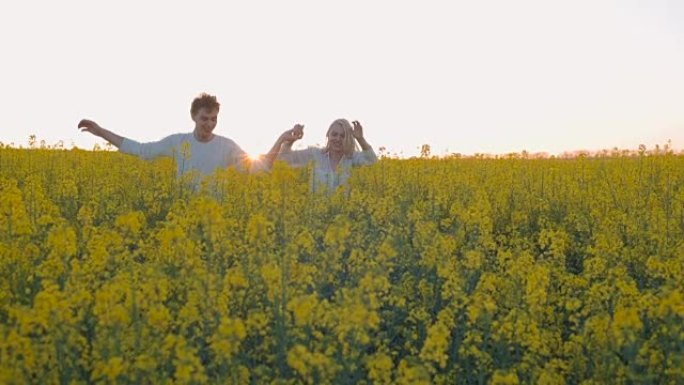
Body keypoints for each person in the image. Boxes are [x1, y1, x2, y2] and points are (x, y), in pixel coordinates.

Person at [78, 93, 252, 178]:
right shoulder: (177, 142)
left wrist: (280, 142)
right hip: (184, 215)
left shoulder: (227, 146)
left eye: (214, 119)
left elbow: (257, 166)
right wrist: (101, 132)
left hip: (215, 220)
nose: (210, 124)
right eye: (204, 118)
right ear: (193, 116)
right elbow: (141, 150)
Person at [264, 119, 377, 192]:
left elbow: (373, 162)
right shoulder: (315, 155)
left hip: (345, 220)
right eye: (334, 134)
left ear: (348, 138)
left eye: (343, 136)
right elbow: (284, 159)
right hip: (318, 220)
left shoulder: (352, 158)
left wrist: (361, 139)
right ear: (328, 135)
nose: (338, 139)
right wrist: (289, 140)